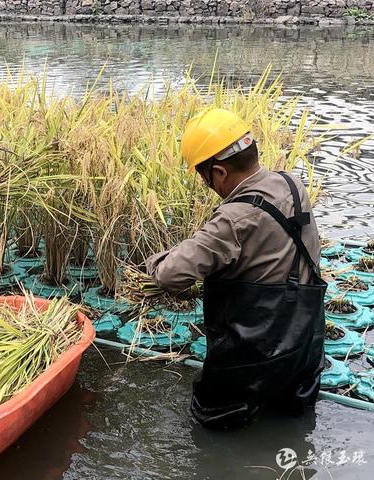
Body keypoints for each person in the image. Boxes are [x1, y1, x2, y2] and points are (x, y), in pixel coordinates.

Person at [145, 108, 326, 429]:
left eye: (205, 178)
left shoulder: (235, 217)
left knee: (215, 427)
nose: (208, 186)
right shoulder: (292, 185)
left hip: (252, 357)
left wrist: (155, 262)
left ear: (219, 172)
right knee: (289, 428)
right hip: (304, 348)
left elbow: (172, 275)